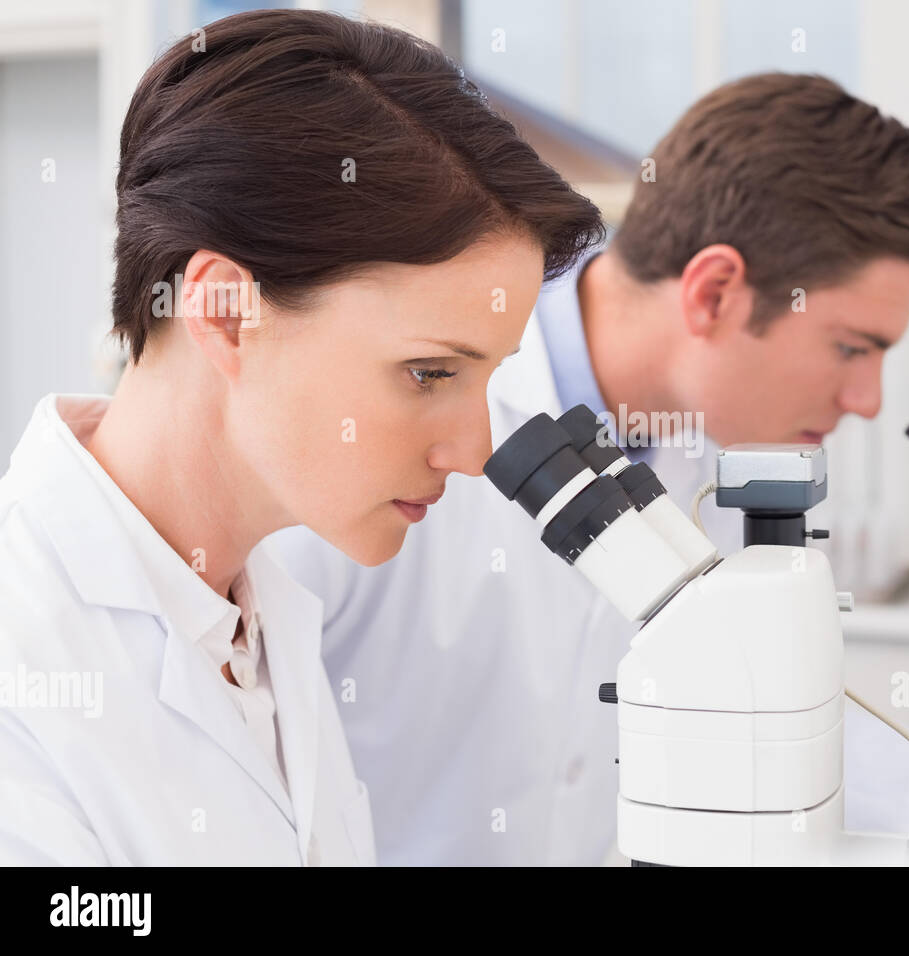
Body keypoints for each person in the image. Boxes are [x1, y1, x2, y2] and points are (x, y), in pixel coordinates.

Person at [270, 72, 909, 865]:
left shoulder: (713, 458)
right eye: (851, 347)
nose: (870, 399)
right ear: (714, 293)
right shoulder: (394, 423)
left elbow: (760, 705)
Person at [0, 9, 602, 865]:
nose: (474, 454)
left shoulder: (259, 615)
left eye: (489, 376)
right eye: (430, 373)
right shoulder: (24, 662)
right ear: (224, 311)